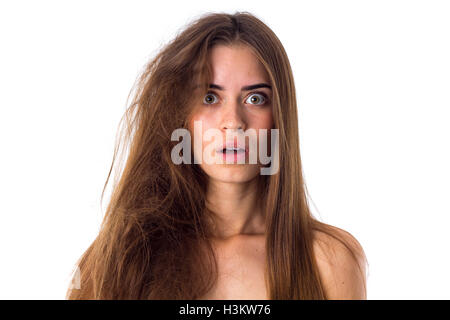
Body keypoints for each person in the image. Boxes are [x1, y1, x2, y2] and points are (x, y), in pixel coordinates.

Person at [66, 11, 368, 300]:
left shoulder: (329, 261)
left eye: (255, 98)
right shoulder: (120, 260)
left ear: (280, 116)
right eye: (210, 97)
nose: (233, 121)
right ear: (180, 117)